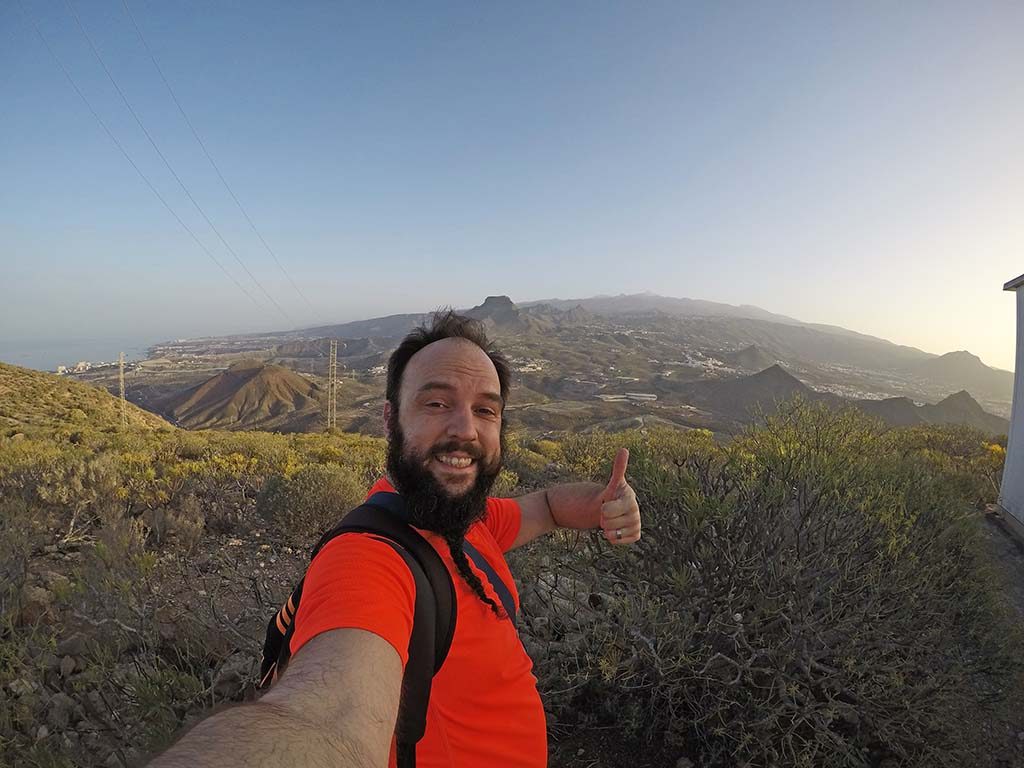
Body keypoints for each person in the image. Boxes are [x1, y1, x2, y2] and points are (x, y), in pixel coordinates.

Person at [150, 310, 642, 768]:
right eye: (436, 403)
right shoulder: (369, 560)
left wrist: (601, 503)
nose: (465, 429)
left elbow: (548, 506)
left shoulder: (466, 520)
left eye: (486, 410)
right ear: (390, 420)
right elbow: (327, 720)